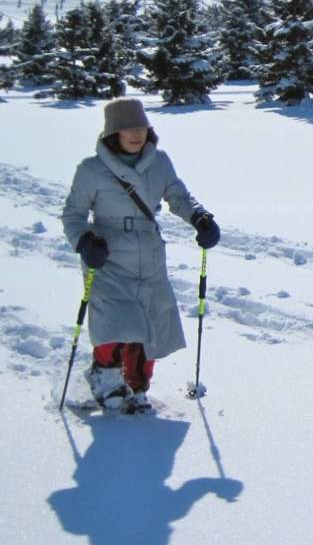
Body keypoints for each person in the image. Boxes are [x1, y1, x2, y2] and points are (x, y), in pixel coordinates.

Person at [61, 98, 220, 412]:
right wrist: (84, 241)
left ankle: (137, 386)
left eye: (141, 128)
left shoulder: (159, 162)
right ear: (113, 133)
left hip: (150, 255)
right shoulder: (91, 170)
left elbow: (178, 196)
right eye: (128, 129)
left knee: (151, 324)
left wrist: (200, 218)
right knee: (116, 322)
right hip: (108, 256)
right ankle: (105, 378)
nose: (136, 134)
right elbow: (73, 215)